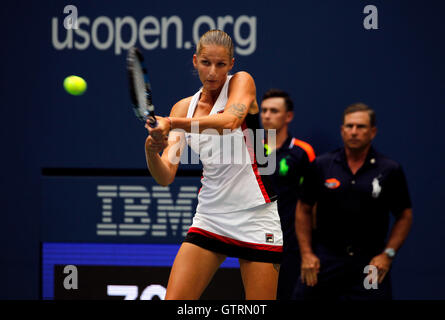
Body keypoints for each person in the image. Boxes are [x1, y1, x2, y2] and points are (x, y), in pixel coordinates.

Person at [144, 30, 283, 300]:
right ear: (195, 61)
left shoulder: (242, 83)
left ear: (231, 64)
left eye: (221, 64)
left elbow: (229, 121)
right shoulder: (182, 108)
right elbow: (165, 175)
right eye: (206, 63)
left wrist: (172, 124)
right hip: (211, 216)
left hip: (256, 215)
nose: (212, 72)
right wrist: (151, 150)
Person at [293, 103, 413, 300]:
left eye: (361, 127)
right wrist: (307, 253)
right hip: (325, 260)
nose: (354, 132)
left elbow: (405, 216)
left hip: (370, 263)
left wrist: (388, 254)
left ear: (373, 131)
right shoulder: (323, 165)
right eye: (349, 126)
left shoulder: (389, 169)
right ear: (342, 130)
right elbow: (303, 208)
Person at [260, 89, 315, 299]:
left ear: (288, 116)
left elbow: (312, 203)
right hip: (258, 241)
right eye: (264, 110)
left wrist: (310, 248)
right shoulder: (251, 150)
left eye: (274, 111)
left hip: (292, 245)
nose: (266, 115)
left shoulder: (302, 152)